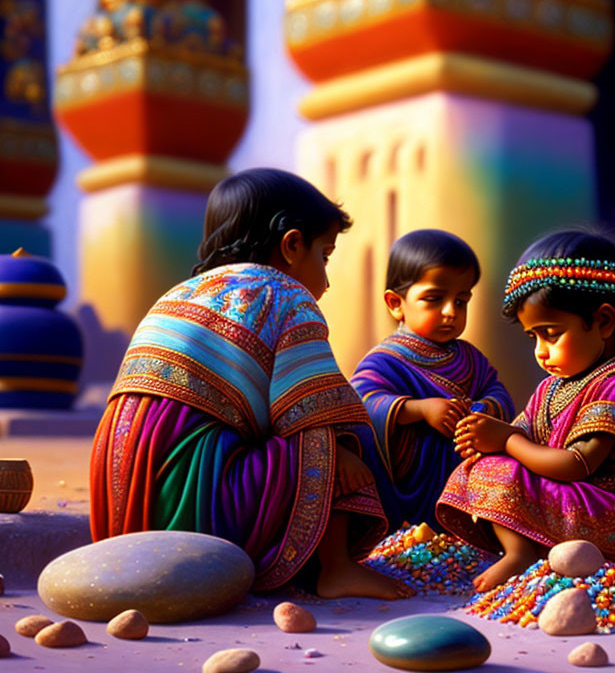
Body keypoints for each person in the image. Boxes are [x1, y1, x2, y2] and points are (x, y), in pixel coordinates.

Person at [90, 167, 414, 600]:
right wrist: (342, 451)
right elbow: (316, 404)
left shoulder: (176, 294)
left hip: (121, 501)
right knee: (340, 432)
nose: (327, 279)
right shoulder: (285, 294)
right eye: (326, 255)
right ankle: (337, 567)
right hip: (190, 497)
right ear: (292, 244)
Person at [436, 228, 615, 592]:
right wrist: (484, 439)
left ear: (604, 322)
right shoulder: (550, 388)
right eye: (533, 337)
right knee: (486, 467)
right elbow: (518, 439)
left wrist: (507, 441)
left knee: (501, 468)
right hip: (572, 505)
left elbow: (575, 465)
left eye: (551, 333)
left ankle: (524, 554)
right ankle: (521, 549)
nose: (540, 351)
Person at [350, 229, 514, 531]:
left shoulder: (470, 358)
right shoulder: (385, 360)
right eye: (435, 299)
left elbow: (499, 394)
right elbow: (361, 404)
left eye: (461, 301)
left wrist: (481, 413)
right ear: (396, 303)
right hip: (408, 485)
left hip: (463, 477)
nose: (451, 312)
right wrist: (420, 410)